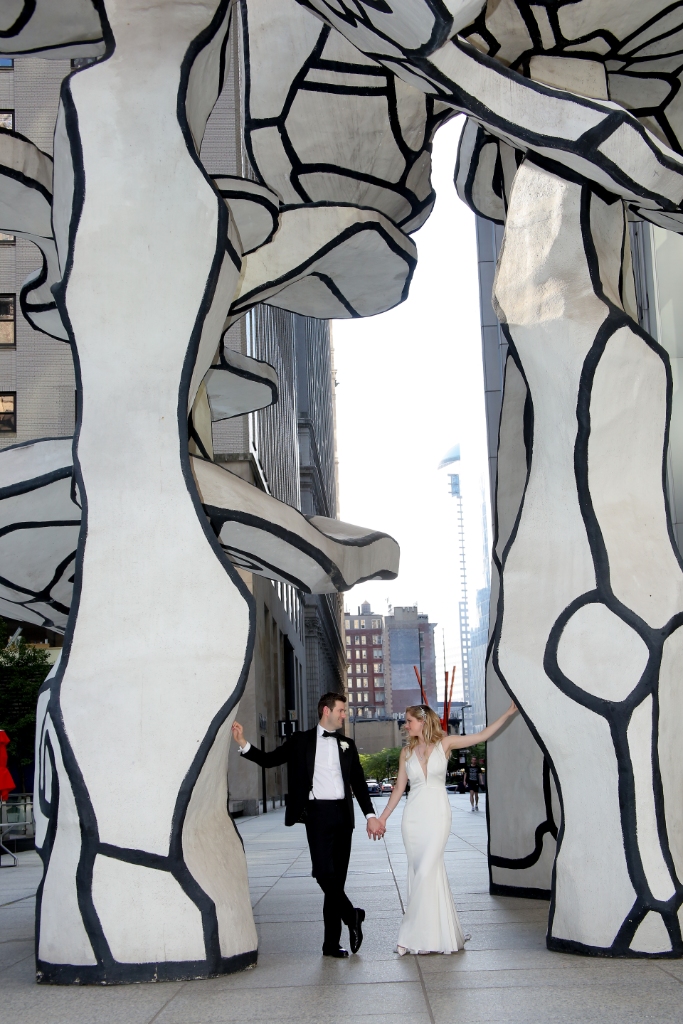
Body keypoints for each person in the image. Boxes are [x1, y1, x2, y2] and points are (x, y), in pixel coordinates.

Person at [231, 692, 385, 959]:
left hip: (343, 816)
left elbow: (358, 783)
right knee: (324, 874)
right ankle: (352, 915)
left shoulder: (347, 744)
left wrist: (370, 815)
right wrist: (243, 743)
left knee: (336, 881)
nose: (344, 715)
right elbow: (269, 760)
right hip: (317, 815)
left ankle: (331, 944)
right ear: (326, 711)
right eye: (341, 710)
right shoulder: (301, 740)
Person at [378, 700, 517, 956]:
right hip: (413, 819)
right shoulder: (406, 753)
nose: (405, 725)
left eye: (409, 721)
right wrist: (383, 818)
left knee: (426, 871)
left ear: (422, 721)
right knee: (421, 873)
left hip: (438, 816)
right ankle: (430, 936)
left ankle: (408, 934)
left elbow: (482, 735)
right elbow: (399, 788)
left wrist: (508, 713)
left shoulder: (446, 744)